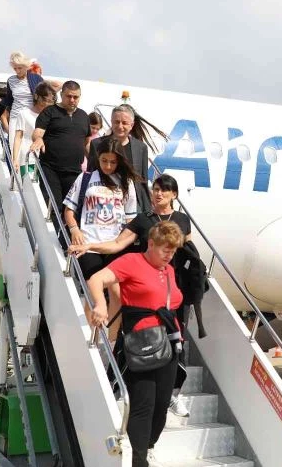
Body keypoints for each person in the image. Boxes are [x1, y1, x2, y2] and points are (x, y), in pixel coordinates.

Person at [68, 174, 194, 416]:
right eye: (156, 189)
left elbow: (189, 252)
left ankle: (173, 395)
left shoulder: (182, 220)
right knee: (132, 339)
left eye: (165, 191)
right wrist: (89, 246)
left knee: (177, 344)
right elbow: (117, 244)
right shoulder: (142, 220)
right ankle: (116, 386)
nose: (158, 194)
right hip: (145, 293)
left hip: (173, 292)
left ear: (174, 195)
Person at [87, 221, 185, 467]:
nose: (169, 255)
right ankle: (139, 461)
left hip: (169, 342)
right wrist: (100, 305)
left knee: (162, 406)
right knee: (143, 406)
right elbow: (96, 280)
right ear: (150, 243)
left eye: (173, 251)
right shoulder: (131, 261)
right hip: (140, 342)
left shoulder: (168, 269)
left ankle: (148, 447)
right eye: (165, 249)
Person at [63, 138, 142, 339]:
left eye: (112, 162)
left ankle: (113, 340)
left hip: (113, 245)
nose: (107, 166)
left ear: (119, 162)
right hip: (87, 244)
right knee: (93, 291)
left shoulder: (126, 183)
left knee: (117, 295)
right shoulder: (86, 178)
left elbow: (131, 217)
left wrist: (125, 239)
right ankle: (93, 337)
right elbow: (69, 209)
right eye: (104, 161)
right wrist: (74, 229)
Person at [30, 80, 92, 216]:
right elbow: (38, 132)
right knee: (53, 207)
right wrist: (39, 139)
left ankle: (68, 236)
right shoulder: (49, 112)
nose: (72, 100)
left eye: (75, 97)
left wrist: (96, 161)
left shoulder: (83, 116)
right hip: (51, 169)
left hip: (75, 172)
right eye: (68, 96)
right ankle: (54, 237)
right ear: (62, 94)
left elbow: (87, 143)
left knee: (72, 211)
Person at [87, 105, 151, 213]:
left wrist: (147, 210)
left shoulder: (141, 148)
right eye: (116, 122)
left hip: (133, 205)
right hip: (104, 202)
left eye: (124, 123)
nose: (120, 126)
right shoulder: (97, 144)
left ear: (132, 125)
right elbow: (91, 174)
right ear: (111, 122)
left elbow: (143, 181)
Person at [2, 52, 44, 157]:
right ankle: (15, 170)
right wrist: (0, 100)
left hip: (32, 116)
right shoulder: (11, 80)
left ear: (26, 66)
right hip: (15, 116)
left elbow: (45, 96)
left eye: (19, 68)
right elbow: (9, 99)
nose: (17, 71)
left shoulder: (36, 79)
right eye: (15, 68)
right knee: (14, 146)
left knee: (31, 146)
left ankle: (30, 171)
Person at [12, 82, 56, 176]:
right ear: (36, 96)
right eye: (44, 99)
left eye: (50, 101)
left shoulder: (53, 116)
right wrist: (15, 158)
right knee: (28, 181)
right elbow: (18, 137)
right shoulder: (24, 113)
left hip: (47, 157)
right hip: (28, 153)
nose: (46, 103)